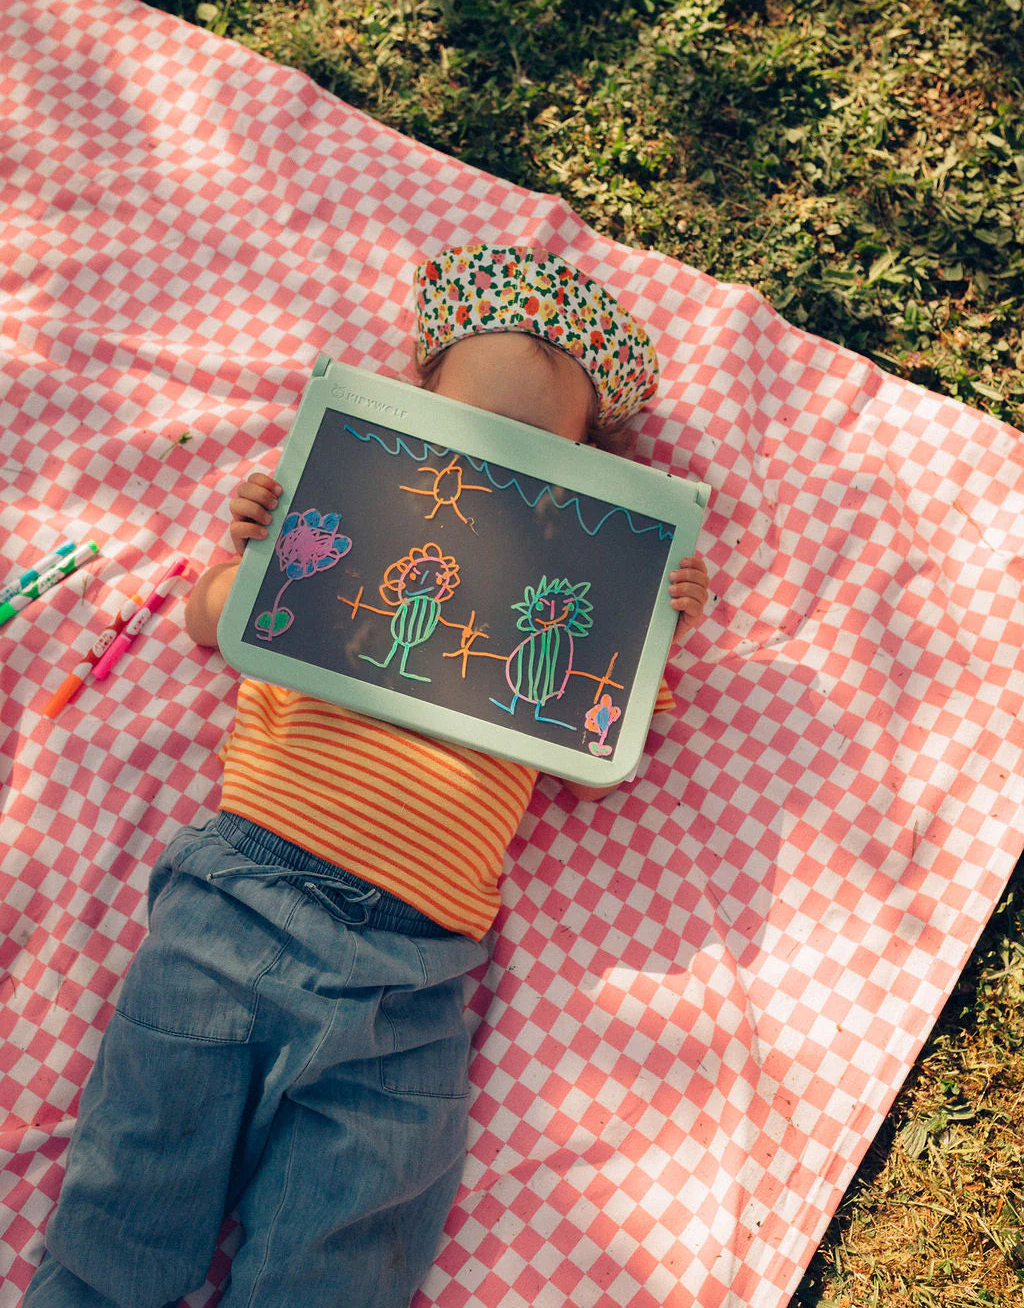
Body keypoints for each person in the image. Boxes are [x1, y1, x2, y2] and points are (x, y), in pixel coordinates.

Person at [23, 243, 710, 1308]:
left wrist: (639, 622)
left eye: (530, 459)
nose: (488, 475)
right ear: (406, 414)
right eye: (462, 436)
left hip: (414, 977)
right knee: (130, 1198)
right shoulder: (334, 530)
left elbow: (594, 762)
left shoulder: (558, 609)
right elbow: (213, 621)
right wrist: (254, 559)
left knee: (342, 1255)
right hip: (233, 908)